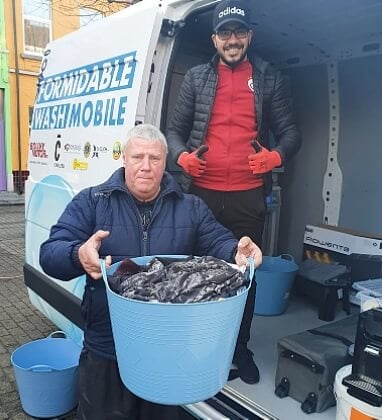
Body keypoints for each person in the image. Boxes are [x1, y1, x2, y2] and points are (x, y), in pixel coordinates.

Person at [39, 124, 262, 420]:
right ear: (124, 158)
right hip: (108, 348)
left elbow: (217, 240)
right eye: (137, 157)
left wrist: (237, 250)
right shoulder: (92, 202)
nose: (146, 166)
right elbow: (49, 254)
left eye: (154, 159)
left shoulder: (191, 207)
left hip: (170, 351)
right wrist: (78, 255)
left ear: (165, 161)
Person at [166, 0, 301, 384]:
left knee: (244, 276)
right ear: (214, 39)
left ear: (250, 36)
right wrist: (182, 158)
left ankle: (239, 350)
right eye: (225, 33)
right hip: (200, 199)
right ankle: (197, 349)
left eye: (239, 32)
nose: (233, 40)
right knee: (197, 275)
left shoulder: (268, 77)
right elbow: (174, 132)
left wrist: (274, 156)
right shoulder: (195, 78)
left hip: (247, 197)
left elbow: (292, 133)